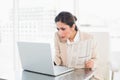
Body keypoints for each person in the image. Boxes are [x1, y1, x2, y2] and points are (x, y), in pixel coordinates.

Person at [54, 11, 101, 80]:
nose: (60, 32)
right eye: (58, 29)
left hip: (85, 76)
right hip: (66, 76)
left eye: (63, 29)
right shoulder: (57, 36)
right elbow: (57, 62)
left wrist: (93, 63)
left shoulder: (89, 38)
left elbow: (96, 59)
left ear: (73, 26)